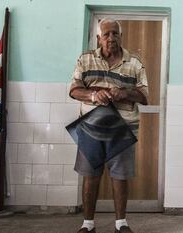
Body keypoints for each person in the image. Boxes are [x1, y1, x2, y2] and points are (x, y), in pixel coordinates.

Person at [69, 18, 148, 233]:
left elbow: (145, 96)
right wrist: (94, 95)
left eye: (115, 33)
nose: (111, 38)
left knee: (120, 176)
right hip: (90, 128)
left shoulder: (135, 63)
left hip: (123, 130)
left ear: (121, 36)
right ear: (98, 38)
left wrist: (124, 92)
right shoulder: (85, 60)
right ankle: (88, 224)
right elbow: (74, 90)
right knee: (90, 175)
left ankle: (121, 224)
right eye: (106, 34)